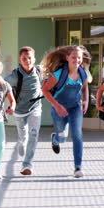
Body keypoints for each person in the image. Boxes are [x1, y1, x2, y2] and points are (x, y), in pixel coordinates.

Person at [41, 45, 91, 178]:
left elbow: (85, 87)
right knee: (62, 137)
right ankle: (56, 139)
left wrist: (86, 101)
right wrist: (57, 106)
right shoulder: (59, 75)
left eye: (79, 57)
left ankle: (78, 167)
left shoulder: (82, 73)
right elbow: (45, 90)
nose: (76, 60)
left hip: (75, 108)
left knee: (77, 134)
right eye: (73, 57)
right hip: (59, 108)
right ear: (67, 58)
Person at [5, 46, 43, 175]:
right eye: (24, 59)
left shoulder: (39, 71)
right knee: (23, 136)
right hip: (20, 110)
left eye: (30, 58)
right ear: (20, 60)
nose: (27, 61)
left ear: (34, 59)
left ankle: (27, 165)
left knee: (33, 135)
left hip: (35, 108)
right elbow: (3, 86)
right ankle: (21, 142)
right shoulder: (15, 75)